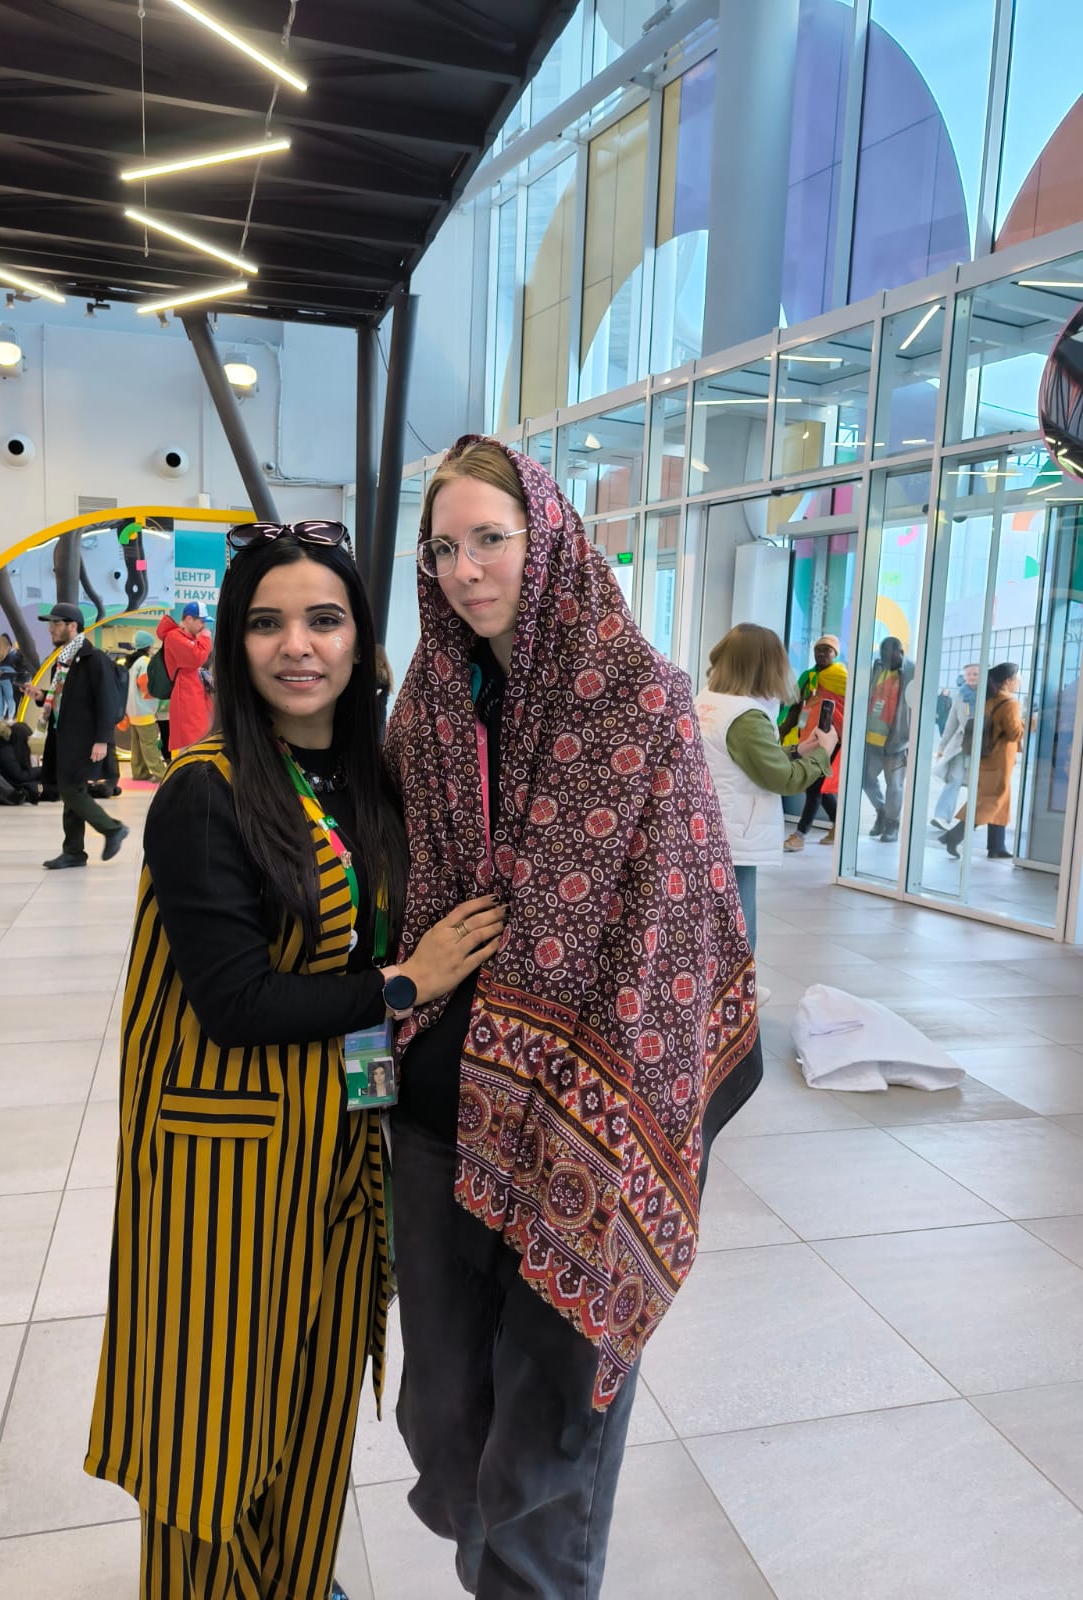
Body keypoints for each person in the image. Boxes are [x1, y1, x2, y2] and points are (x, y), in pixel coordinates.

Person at [85, 518, 504, 1600]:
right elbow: (235, 1003)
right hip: (221, 1176)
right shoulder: (207, 790)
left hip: (337, 1153)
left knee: (313, 1406)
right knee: (213, 1427)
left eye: (324, 619)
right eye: (267, 624)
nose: (297, 646)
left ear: (362, 641)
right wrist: (407, 982)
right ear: (234, 644)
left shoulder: (371, 785)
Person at [384, 436, 760, 1600]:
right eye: (443, 548)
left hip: (585, 1130)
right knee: (442, 1416)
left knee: (546, 1443)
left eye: (489, 538)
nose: (465, 570)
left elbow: (680, 923)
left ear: (545, 535)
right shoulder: (426, 703)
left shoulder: (639, 698)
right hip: (435, 1113)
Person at [696, 623, 838, 959]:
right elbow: (782, 780)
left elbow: (740, 758)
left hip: (708, 828)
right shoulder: (745, 716)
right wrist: (823, 754)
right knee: (739, 936)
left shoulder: (708, 701)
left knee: (711, 930)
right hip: (736, 835)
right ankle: (736, 991)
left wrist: (798, 750)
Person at [24, 602, 128, 869]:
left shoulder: (94, 660)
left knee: (70, 789)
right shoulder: (63, 660)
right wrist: (41, 696)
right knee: (72, 789)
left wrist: (102, 739)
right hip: (64, 735)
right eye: (50, 623)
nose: (51, 629)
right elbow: (63, 697)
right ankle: (73, 851)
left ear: (73, 626)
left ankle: (112, 828)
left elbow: (106, 701)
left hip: (84, 738)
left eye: (56, 623)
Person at [940, 662, 1024, 860]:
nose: (1019, 682)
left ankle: (997, 846)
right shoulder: (1010, 703)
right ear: (1008, 681)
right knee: (990, 802)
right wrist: (1031, 722)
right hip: (1000, 760)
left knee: (997, 801)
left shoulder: (988, 700)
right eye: (1018, 679)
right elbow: (1014, 733)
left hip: (986, 758)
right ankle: (954, 835)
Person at [781, 633, 846, 851]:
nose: (821, 653)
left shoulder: (842, 677)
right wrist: (784, 728)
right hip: (809, 737)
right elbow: (797, 706)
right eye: (818, 649)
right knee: (818, 786)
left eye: (827, 650)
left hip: (831, 739)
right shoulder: (809, 677)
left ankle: (800, 835)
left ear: (835, 654)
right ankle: (839, 825)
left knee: (814, 786)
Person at [862, 634, 914, 843]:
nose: (886, 661)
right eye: (883, 657)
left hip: (896, 742)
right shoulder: (876, 668)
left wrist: (910, 735)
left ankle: (892, 825)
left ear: (901, 653)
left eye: (890, 657)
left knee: (895, 786)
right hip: (871, 739)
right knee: (866, 780)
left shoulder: (913, 672)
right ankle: (881, 811)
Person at [156, 600, 213, 756]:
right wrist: (205, 638)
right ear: (188, 619)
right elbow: (196, 658)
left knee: (200, 739)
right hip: (186, 693)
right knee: (191, 741)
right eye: (201, 621)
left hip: (193, 691)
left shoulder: (187, 637)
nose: (204, 626)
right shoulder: (174, 636)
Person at [930, 663, 978, 831]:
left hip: (982, 747)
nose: (971, 677)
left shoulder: (990, 695)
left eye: (975, 674)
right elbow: (952, 722)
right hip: (960, 745)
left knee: (977, 784)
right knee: (954, 779)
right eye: (968, 674)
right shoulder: (960, 695)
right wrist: (942, 746)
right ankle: (941, 816)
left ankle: (973, 820)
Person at [124, 629, 167, 782]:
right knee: (150, 744)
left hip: (133, 711)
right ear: (149, 646)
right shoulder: (145, 662)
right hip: (144, 711)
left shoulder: (132, 663)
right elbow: (146, 687)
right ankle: (161, 773)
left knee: (136, 745)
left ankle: (139, 772)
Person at [0, 634, 19, 721]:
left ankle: (0, 717)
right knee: (9, 698)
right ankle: (10, 717)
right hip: (6, 679)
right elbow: (13, 669)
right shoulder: (10, 655)